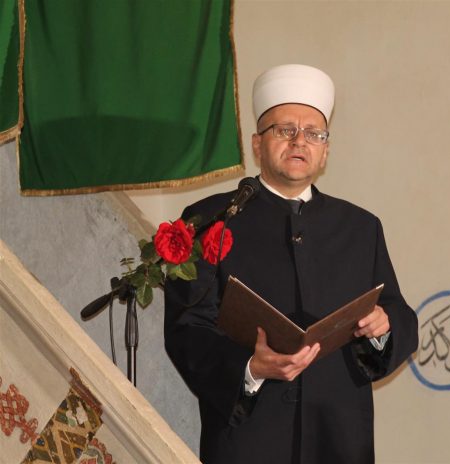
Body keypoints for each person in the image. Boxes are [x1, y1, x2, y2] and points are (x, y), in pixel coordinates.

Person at [164, 64, 418, 464]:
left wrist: (383, 327)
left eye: (314, 133)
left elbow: (400, 315)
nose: (300, 141)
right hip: (248, 444)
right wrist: (250, 368)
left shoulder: (360, 228)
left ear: (325, 150)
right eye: (285, 130)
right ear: (257, 144)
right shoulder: (211, 220)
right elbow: (187, 330)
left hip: (338, 442)